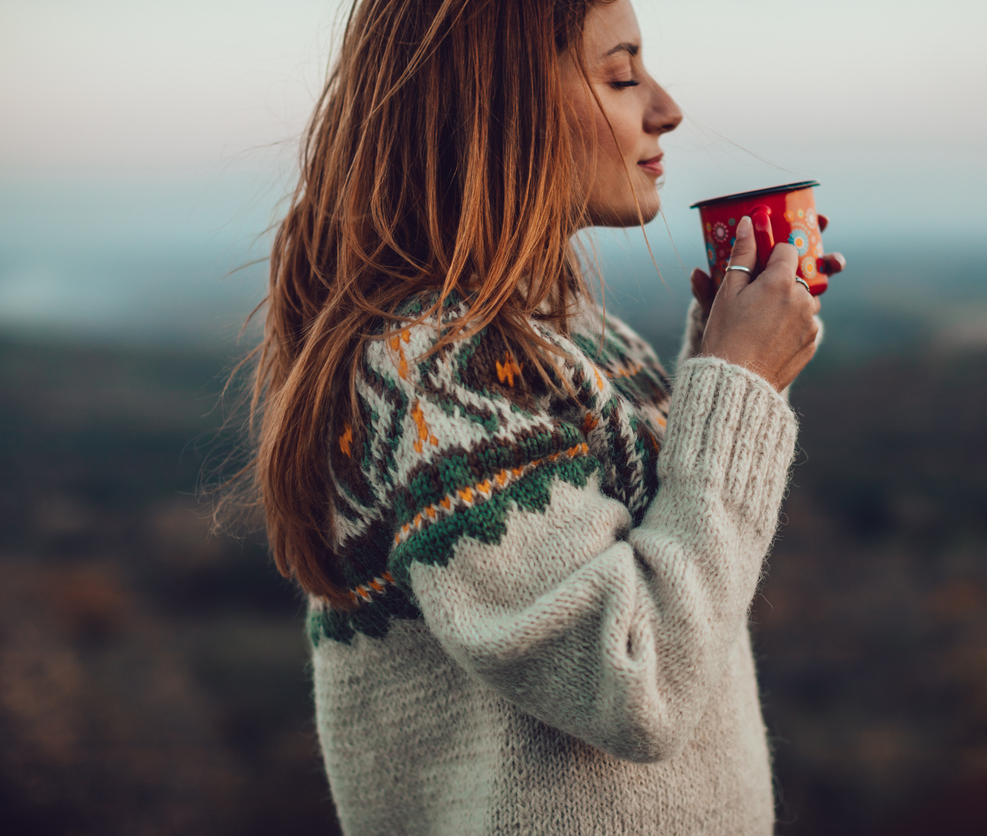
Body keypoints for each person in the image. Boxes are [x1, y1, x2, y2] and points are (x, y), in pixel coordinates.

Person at [247, 0, 843, 833]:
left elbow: (668, 566)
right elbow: (638, 679)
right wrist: (737, 388)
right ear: (500, 102)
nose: (667, 108)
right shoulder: (434, 368)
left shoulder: (571, 337)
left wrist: (722, 365)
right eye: (623, 74)